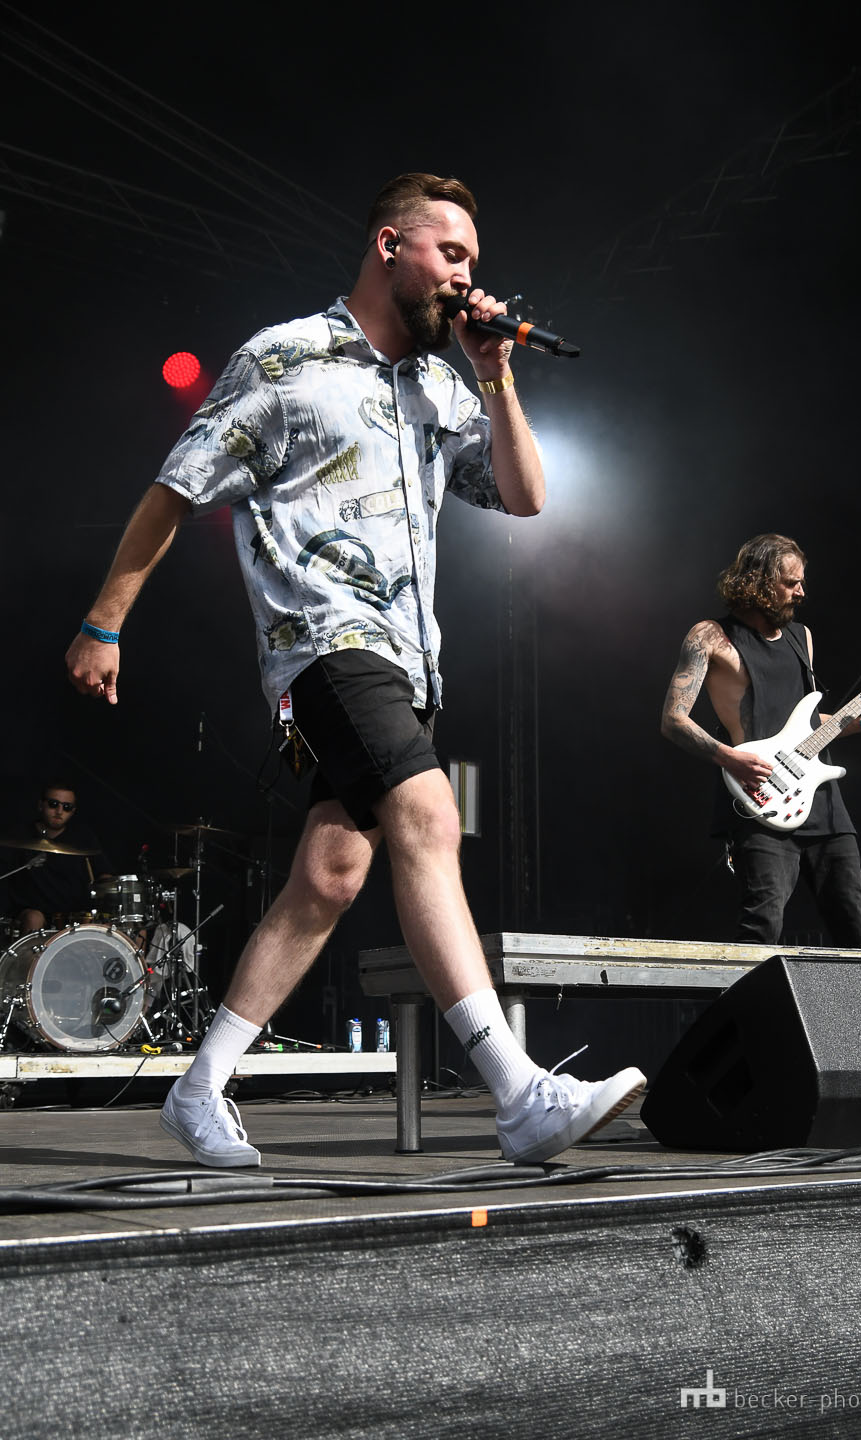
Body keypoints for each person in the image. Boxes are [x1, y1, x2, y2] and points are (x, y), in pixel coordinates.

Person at [65, 172, 644, 1167]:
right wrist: (103, 623)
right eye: (450, 253)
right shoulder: (284, 359)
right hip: (324, 644)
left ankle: (197, 1090)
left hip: (408, 666)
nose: (466, 275)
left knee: (331, 876)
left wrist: (496, 375)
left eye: (474, 261)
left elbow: (526, 496)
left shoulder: (440, 385)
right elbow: (176, 490)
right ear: (389, 246)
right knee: (428, 817)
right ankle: (519, 1095)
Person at [660, 533, 861, 946]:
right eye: (791, 582)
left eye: (801, 582)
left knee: (855, 929)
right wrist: (730, 758)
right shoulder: (709, 636)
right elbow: (673, 720)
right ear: (759, 581)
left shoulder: (802, 637)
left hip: (821, 802)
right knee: (762, 928)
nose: (801, 592)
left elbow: (810, 724)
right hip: (760, 798)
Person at [1, 781, 112, 933]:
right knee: (34, 918)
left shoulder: (83, 839)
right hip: (30, 911)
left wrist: (109, 892)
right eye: (53, 804)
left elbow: (104, 875)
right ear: (41, 805)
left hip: (74, 914)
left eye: (67, 807)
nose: (59, 811)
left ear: (73, 811)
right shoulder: (20, 836)